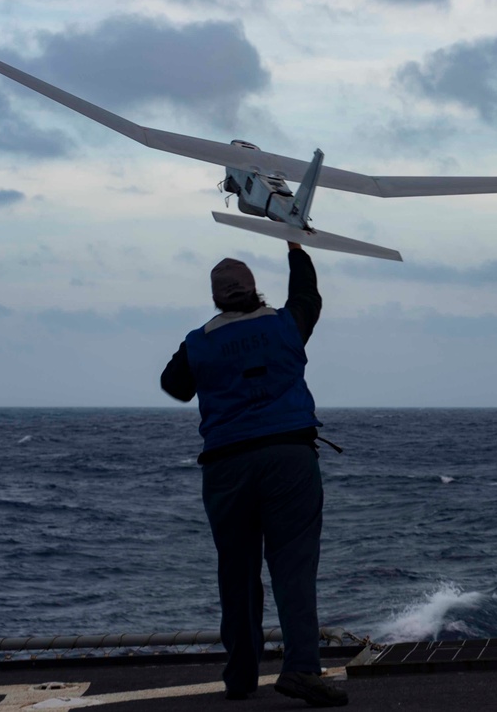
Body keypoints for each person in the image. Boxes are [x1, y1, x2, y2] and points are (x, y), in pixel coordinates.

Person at [160, 242, 347, 707]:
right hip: (288, 458)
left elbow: (174, 385)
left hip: (226, 467)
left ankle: (241, 676)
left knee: (237, 573)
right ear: (254, 290)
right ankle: (301, 669)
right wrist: (296, 248)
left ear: (217, 298)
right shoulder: (285, 325)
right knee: (293, 568)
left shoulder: (199, 340)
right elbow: (308, 297)